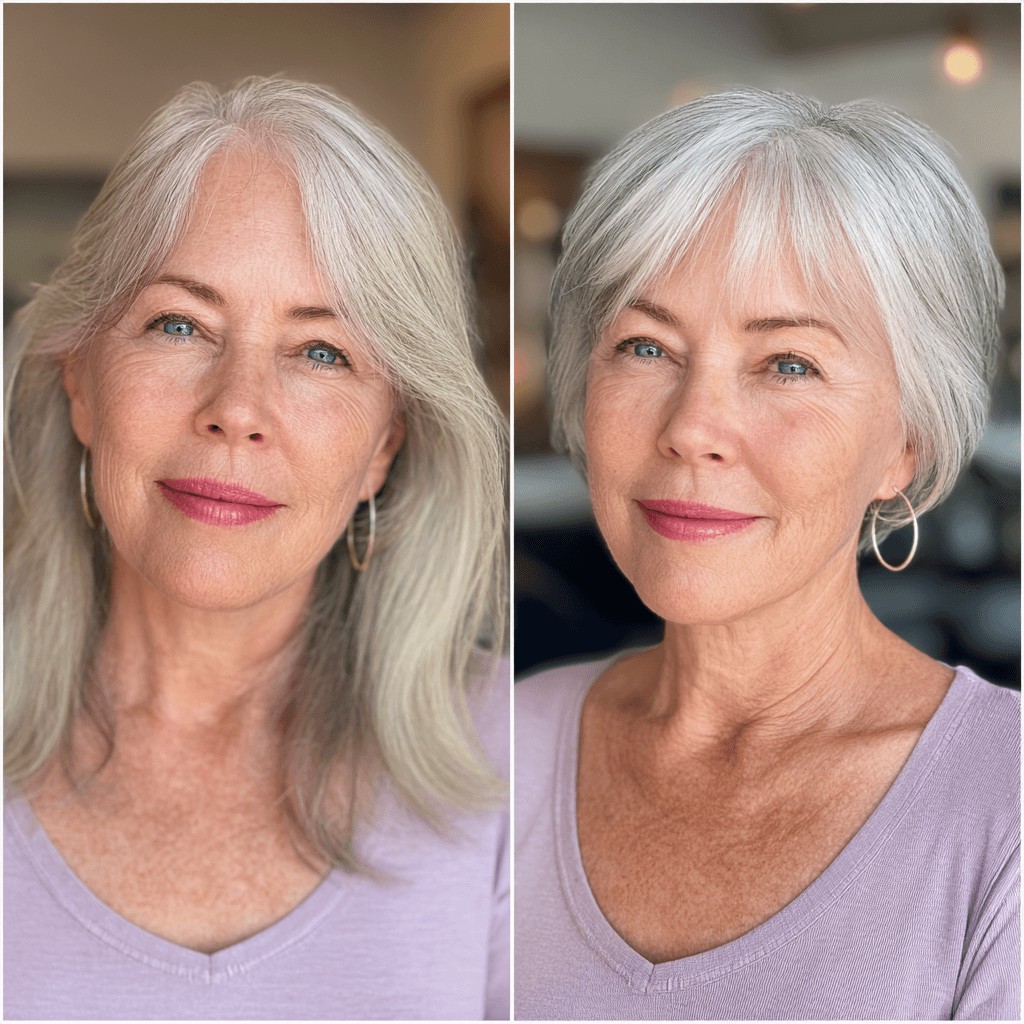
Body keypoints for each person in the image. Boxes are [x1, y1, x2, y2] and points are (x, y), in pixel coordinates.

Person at [5, 77, 508, 1021]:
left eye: (321, 352)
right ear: (79, 381)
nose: (237, 408)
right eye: (179, 324)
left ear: (385, 444)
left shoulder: (522, 758)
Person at [515, 88, 1018, 1021]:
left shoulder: (1004, 813)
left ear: (905, 443)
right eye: (645, 347)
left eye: (789, 364)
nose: (692, 427)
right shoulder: (500, 746)